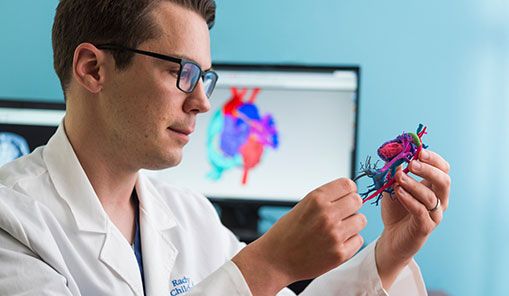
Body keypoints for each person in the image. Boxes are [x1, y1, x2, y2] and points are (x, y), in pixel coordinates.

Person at [0, 0, 451, 295]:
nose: (201, 102)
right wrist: (268, 263)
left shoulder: (190, 215)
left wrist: (391, 252)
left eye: (205, 77)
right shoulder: (12, 221)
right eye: (182, 72)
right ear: (93, 69)